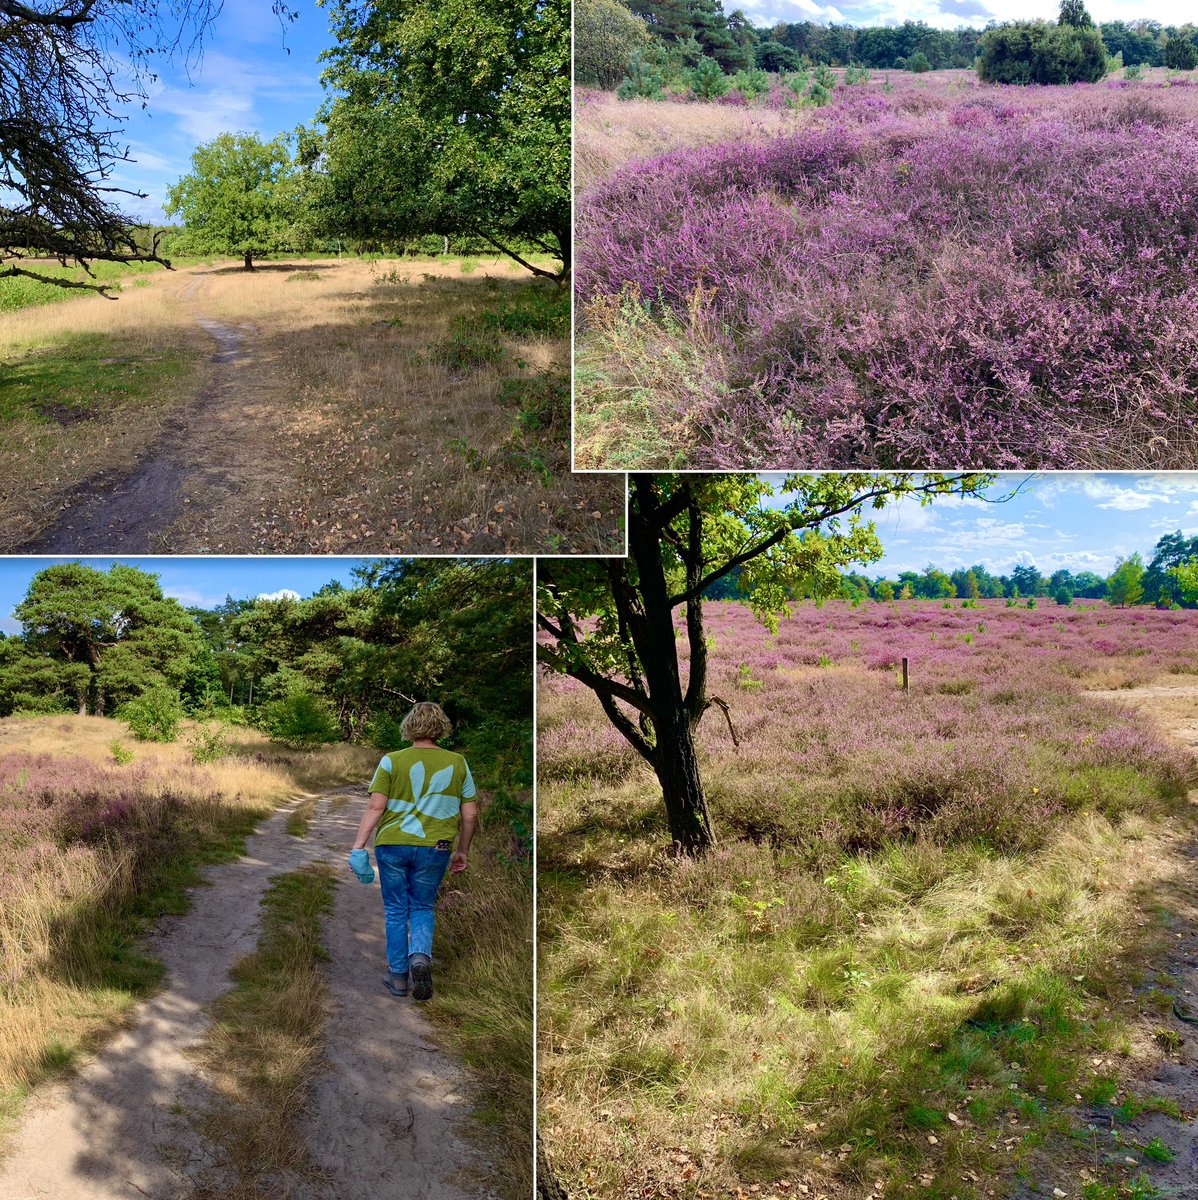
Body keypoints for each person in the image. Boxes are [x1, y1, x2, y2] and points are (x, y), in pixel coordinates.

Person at [347, 701, 477, 1001]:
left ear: (409, 727)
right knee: (422, 906)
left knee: (395, 910)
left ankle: (398, 977)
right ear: (441, 728)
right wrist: (462, 851)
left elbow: (376, 806)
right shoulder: (458, 763)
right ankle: (420, 957)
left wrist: (358, 846)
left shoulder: (392, 761)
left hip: (393, 845)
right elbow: (470, 815)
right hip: (437, 847)